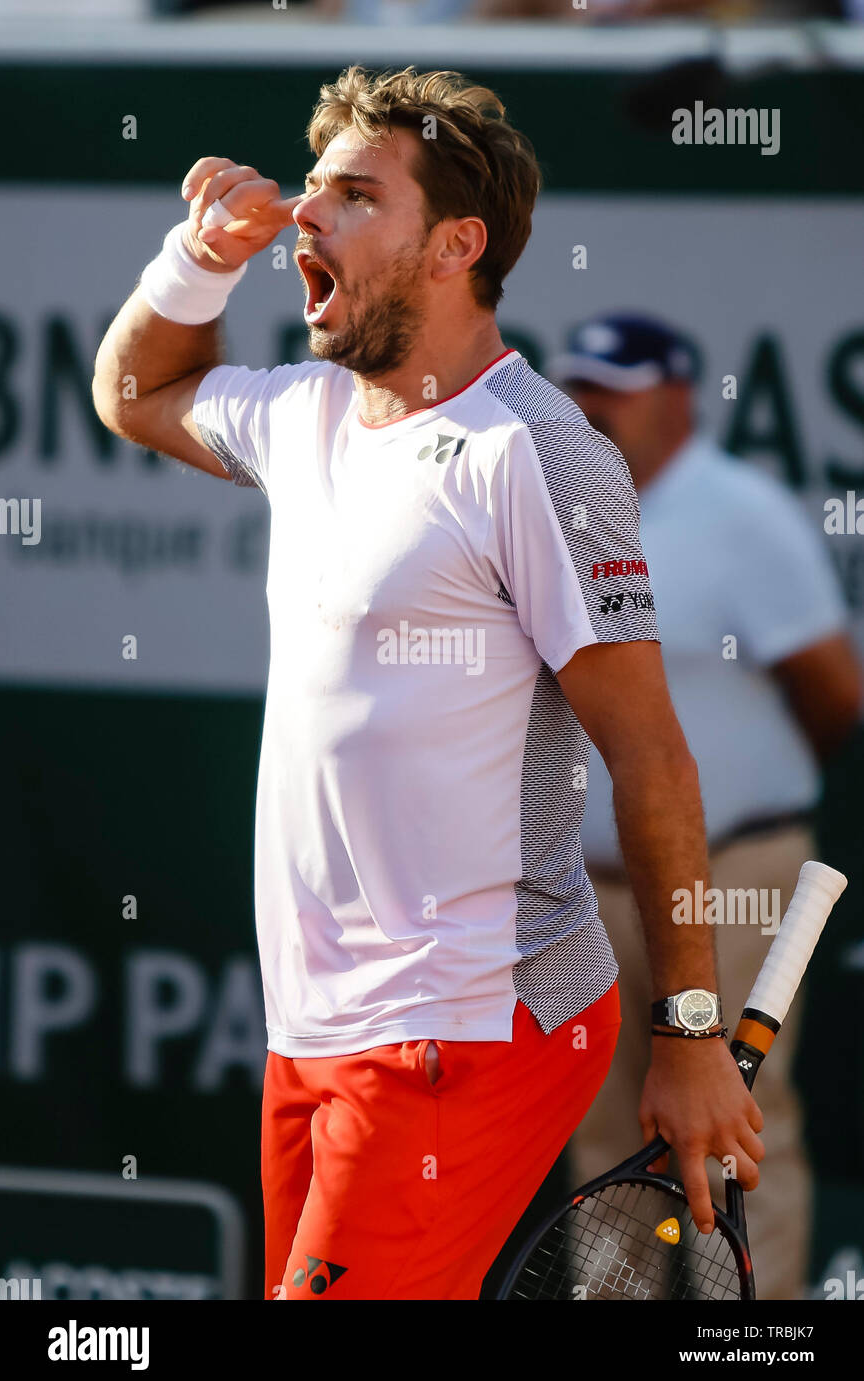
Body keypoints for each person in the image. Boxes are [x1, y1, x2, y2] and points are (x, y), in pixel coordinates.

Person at [93, 67, 764, 1301]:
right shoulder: (305, 415)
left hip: (475, 1019)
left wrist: (687, 1033)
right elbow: (133, 394)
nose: (304, 216)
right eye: (310, 189)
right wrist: (198, 257)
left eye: (351, 196)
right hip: (317, 1025)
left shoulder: (540, 454)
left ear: (456, 244)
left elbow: (651, 755)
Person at [549, 312, 862, 1299]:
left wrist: (732, 797)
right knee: (602, 1145)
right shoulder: (555, 511)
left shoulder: (743, 512)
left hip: (733, 878)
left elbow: (831, 695)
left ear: (678, 397)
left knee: (736, 1126)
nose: (591, 407)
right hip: (588, 890)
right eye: (579, 387)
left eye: (616, 387)